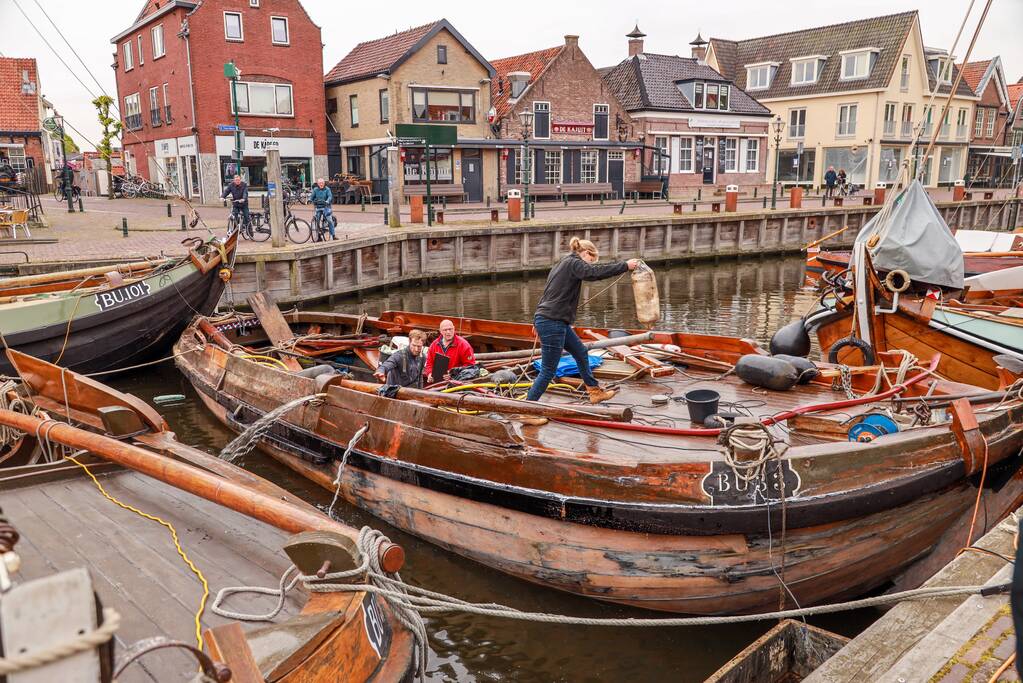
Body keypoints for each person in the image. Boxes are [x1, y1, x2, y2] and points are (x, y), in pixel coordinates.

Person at [527, 238, 639, 404]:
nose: (590, 265)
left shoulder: (562, 263)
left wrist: (537, 319)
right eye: (591, 261)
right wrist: (625, 266)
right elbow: (594, 273)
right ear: (586, 253)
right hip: (552, 322)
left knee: (580, 351)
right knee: (548, 371)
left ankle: (594, 391)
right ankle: (526, 409)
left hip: (554, 320)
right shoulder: (575, 263)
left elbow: (547, 294)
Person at [424, 319, 476, 384]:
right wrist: (429, 374)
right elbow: (429, 364)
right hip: (437, 383)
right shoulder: (434, 345)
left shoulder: (463, 345)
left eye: (450, 329)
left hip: (456, 383)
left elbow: (470, 366)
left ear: (454, 329)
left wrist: (452, 374)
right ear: (440, 331)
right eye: (445, 330)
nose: (448, 332)